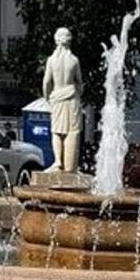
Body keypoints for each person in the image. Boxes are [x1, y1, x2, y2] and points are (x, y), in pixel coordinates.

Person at [42, 27, 82, 172]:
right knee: (72, 131)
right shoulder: (74, 60)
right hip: (72, 98)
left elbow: (46, 82)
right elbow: (79, 82)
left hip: (57, 97)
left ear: (56, 40)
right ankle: (71, 166)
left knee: (56, 131)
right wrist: (78, 93)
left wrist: (47, 97)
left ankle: (58, 161)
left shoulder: (51, 60)